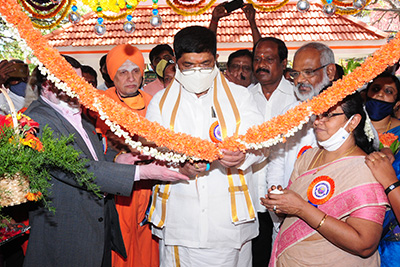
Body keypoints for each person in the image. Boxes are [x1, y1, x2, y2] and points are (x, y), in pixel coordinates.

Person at [23, 55, 188, 267]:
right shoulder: (38, 120)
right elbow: (76, 167)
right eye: (71, 82)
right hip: (66, 233)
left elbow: (93, 153)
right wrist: (143, 173)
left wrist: (121, 158)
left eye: (80, 81)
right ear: (47, 86)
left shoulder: (75, 111)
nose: (79, 88)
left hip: (94, 228)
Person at [146, 26, 265, 267]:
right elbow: (153, 153)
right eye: (189, 65)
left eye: (205, 63)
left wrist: (243, 156)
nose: (198, 71)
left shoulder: (240, 97)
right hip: (182, 220)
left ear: (216, 59)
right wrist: (181, 167)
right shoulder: (160, 103)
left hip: (229, 221)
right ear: (176, 63)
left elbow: (262, 145)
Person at [261, 91, 388, 266]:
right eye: (318, 114)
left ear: (354, 122)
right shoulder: (307, 157)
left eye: (328, 115)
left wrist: (301, 208)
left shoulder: (366, 169)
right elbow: (294, 208)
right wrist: (281, 204)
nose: (318, 121)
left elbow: (364, 244)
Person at [265, 42, 338, 248]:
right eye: (295, 74)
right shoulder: (289, 112)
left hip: (331, 220)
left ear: (330, 71)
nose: (300, 80)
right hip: (286, 218)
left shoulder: (347, 111)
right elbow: (277, 160)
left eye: (308, 72)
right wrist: (277, 197)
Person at [97, 44, 159, 267]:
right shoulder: (100, 106)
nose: (130, 78)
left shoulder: (156, 104)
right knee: (121, 248)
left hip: (150, 186)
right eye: (123, 72)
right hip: (119, 190)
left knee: (148, 246)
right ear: (112, 75)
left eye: (136, 71)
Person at [249, 36, 297, 266]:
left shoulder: (299, 99)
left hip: (286, 196)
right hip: (249, 196)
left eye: (269, 59)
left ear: (284, 62)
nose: (261, 64)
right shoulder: (243, 98)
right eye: (257, 59)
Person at [363, 72, 400, 266]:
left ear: (396, 102)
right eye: (375, 89)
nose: (379, 95)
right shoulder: (353, 130)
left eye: (388, 91)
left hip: (392, 225)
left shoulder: (399, 132)